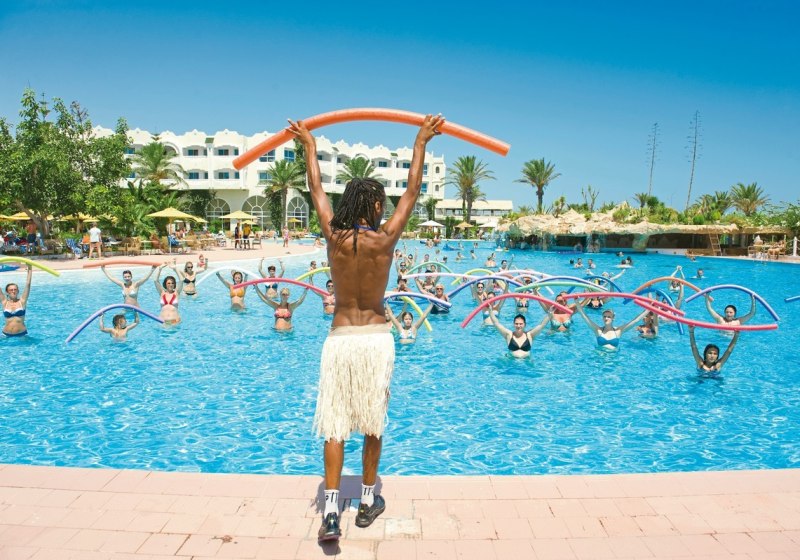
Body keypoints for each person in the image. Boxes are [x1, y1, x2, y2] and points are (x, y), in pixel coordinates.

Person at [289, 113, 443, 541]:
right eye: (380, 203)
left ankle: (331, 511)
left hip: (340, 338)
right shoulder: (385, 239)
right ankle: (368, 501)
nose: (383, 208)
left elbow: (316, 189)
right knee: (373, 421)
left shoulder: (333, 237)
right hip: (375, 338)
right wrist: (420, 142)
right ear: (374, 207)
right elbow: (412, 191)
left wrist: (309, 145)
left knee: (335, 424)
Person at [575, 306, 647, 351]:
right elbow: (585, 317)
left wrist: (648, 309)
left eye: (609, 317)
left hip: (613, 360)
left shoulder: (618, 331)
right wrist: (577, 302)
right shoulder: (598, 330)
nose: (606, 318)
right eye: (604, 316)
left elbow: (635, 321)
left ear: (613, 318)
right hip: (599, 359)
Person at [1, 264, 33, 337]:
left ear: (18, 291)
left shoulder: (22, 301)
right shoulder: (5, 302)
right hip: (6, 335)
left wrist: (30, 267)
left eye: (15, 289)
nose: (13, 291)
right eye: (11, 290)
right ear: (7, 292)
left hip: (21, 335)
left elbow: (28, 284)